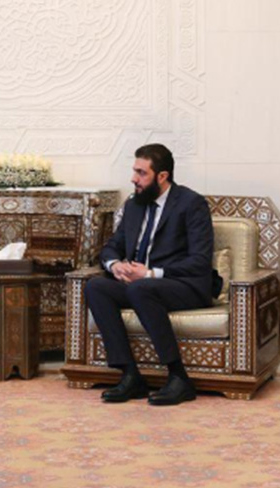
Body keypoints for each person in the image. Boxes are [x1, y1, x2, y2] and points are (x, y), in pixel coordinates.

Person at [84, 144, 221, 406]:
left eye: (141, 173)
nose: (133, 179)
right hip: (143, 288)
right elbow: (112, 246)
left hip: (185, 286)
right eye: (134, 171)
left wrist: (150, 273)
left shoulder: (191, 204)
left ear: (162, 176)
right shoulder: (135, 205)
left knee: (141, 288)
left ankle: (179, 377)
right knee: (96, 287)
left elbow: (200, 261)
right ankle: (130, 375)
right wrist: (115, 265)